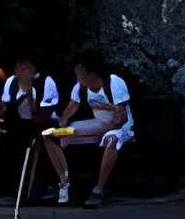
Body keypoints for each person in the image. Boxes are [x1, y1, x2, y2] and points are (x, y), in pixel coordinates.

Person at [41, 49, 134, 208]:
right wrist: (62, 123)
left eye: (80, 73)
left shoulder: (114, 83)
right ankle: (65, 184)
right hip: (97, 126)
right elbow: (72, 107)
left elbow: (122, 117)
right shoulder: (81, 87)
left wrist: (106, 128)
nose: (77, 76)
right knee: (50, 135)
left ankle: (98, 189)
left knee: (111, 139)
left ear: (91, 74)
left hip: (120, 127)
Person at [0, 55, 60, 205]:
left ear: (33, 70)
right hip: (18, 122)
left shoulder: (46, 82)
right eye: (20, 68)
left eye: (27, 68)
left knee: (34, 136)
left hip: (42, 122)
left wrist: (30, 99)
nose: (24, 72)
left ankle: (32, 188)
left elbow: (42, 114)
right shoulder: (11, 82)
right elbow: (6, 108)